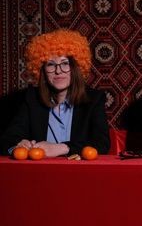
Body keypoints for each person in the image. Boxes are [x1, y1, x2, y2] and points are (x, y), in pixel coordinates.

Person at [0, 29, 110, 157]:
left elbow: (102, 144)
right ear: (43, 71)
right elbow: (7, 140)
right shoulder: (31, 98)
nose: (58, 71)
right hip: (39, 172)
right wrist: (19, 144)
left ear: (75, 68)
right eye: (51, 64)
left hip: (79, 171)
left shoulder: (94, 99)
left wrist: (63, 148)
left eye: (65, 63)